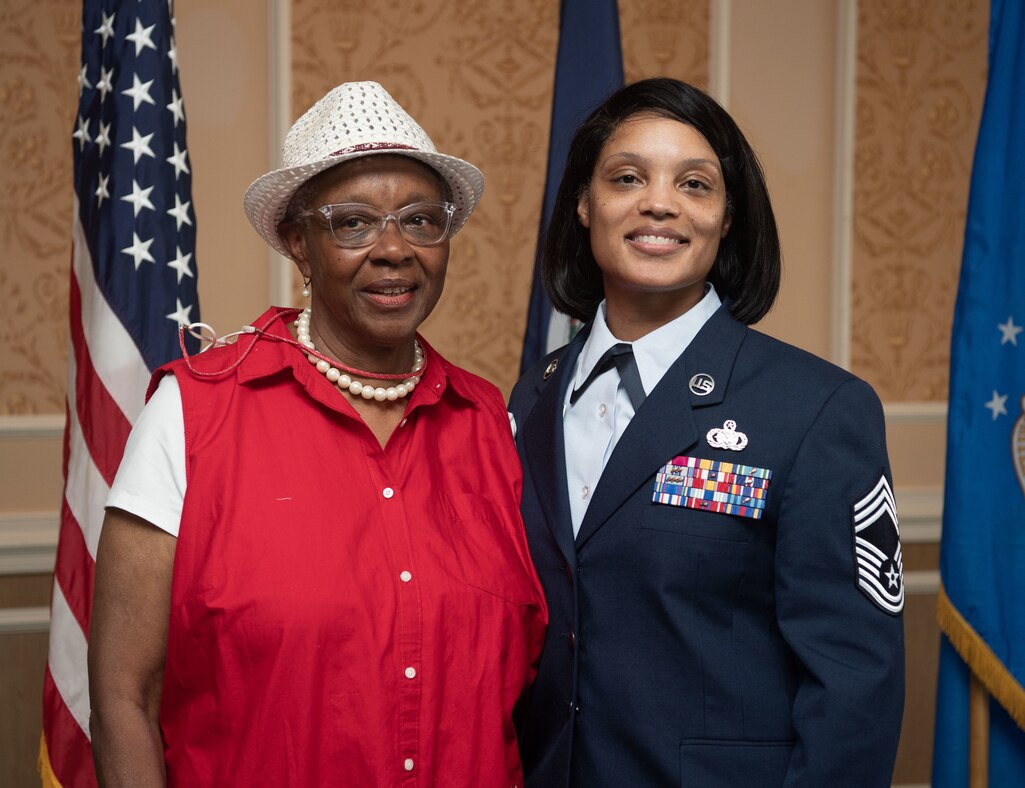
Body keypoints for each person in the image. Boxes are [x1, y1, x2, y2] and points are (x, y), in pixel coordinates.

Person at [88, 81, 547, 787]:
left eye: (421, 220)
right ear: (299, 244)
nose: (394, 249)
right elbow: (125, 696)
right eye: (353, 223)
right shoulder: (192, 415)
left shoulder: (491, 424)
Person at [509, 78, 904, 787]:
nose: (658, 202)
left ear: (726, 220)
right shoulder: (531, 397)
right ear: (581, 203)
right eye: (626, 177)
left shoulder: (814, 408)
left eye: (695, 184)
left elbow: (854, 686)